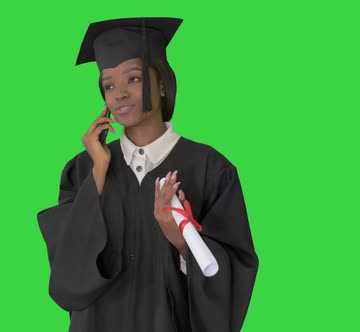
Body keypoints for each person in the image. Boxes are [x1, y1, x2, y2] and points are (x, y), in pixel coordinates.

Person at [37, 17, 258, 332]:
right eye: (108, 84)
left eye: (134, 79)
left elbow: (233, 273)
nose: (120, 94)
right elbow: (67, 275)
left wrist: (181, 240)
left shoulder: (210, 169)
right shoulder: (82, 169)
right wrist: (99, 171)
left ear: (163, 85)